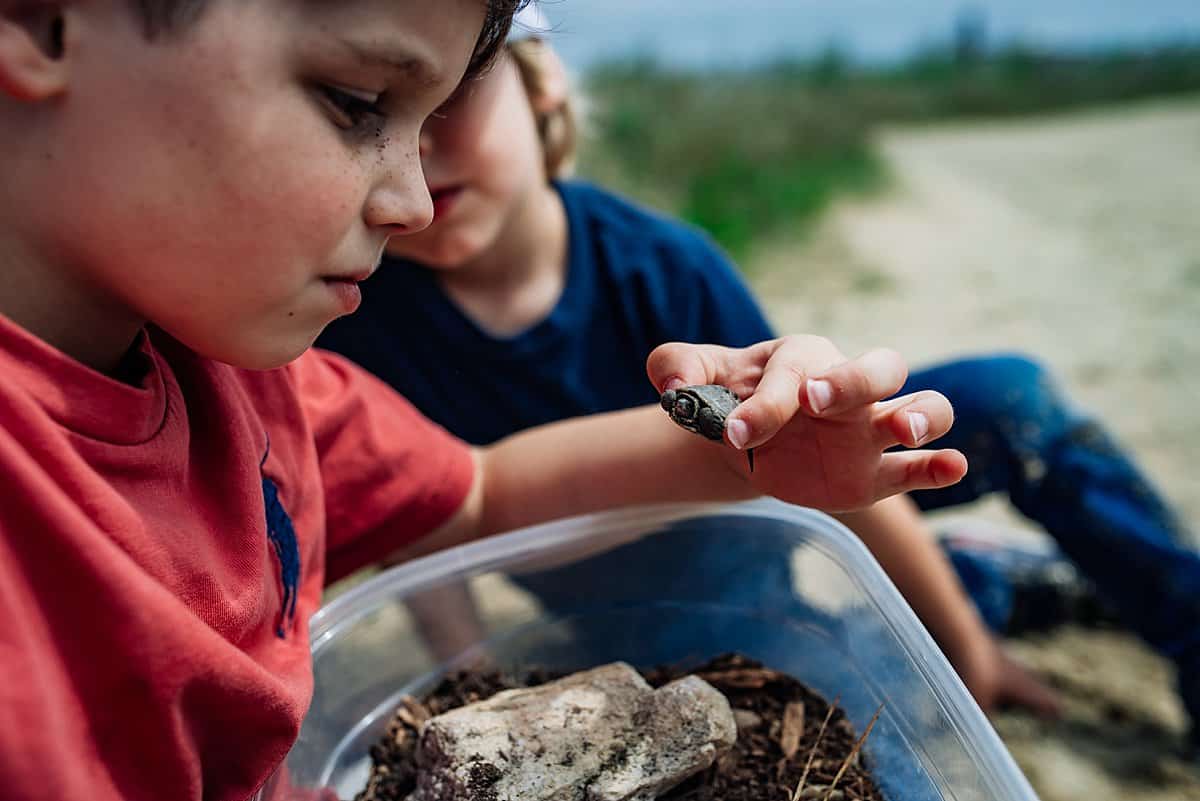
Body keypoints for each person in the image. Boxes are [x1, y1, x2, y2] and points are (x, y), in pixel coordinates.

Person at [0, 2, 970, 799]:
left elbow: (480, 491)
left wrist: (741, 451)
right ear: (41, 22)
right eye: (355, 101)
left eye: (429, 126)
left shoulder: (254, 381)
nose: (414, 200)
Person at [317, 19, 1200, 738]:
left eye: (450, 97)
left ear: (540, 84)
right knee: (827, 704)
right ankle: (988, 582)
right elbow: (423, 526)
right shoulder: (369, 315)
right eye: (373, 111)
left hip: (786, 495)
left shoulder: (663, 265)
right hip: (648, 606)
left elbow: (830, 457)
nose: (419, 151)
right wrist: (476, 692)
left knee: (1014, 399)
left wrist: (965, 653)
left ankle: (1147, 619)